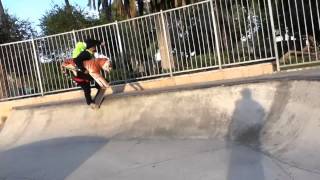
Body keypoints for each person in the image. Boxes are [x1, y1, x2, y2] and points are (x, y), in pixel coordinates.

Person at [72, 38, 105, 108]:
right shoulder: (85, 53)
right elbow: (77, 60)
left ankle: (98, 86)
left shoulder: (90, 53)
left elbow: (93, 41)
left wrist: (100, 43)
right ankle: (90, 103)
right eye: (94, 47)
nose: (95, 48)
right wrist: (83, 69)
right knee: (87, 89)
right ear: (91, 47)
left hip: (85, 75)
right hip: (80, 75)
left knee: (93, 79)